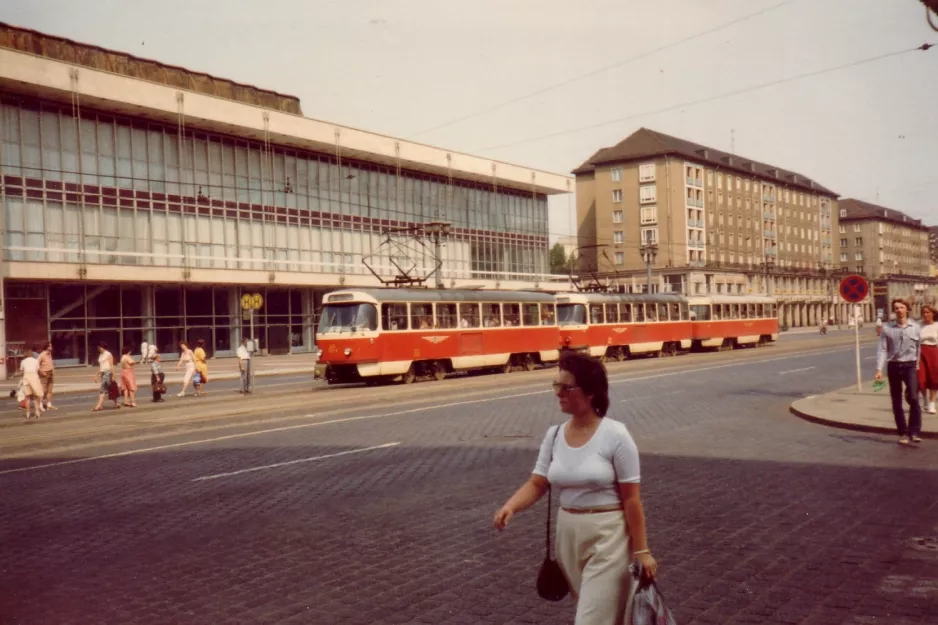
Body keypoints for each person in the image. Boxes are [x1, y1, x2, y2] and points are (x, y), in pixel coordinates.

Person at [493, 352, 657, 624]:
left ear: (590, 393)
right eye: (556, 385)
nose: (558, 393)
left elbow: (631, 500)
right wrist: (511, 506)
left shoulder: (616, 435)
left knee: (590, 619)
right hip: (567, 537)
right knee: (599, 614)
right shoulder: (554, 435)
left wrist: (642, 550)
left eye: (566, 387)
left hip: (608, 538)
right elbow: (538, 482)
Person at [875, 298, 922, 445]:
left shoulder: (915, 327)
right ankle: (903, 433)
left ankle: (914, 431)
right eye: (896, 308)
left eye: (902, 307)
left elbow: (919, 347)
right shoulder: (888, 329)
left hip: (910, 366)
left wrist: (918, 364)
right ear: (894, 311)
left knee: (913, 397)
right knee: (896, 400)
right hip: (894, 366)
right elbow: (882, 349)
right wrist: (879, 369)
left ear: (907, 309)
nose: (899, 310)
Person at [918, 305, 938, 415]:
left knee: (934, 378)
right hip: (920, 352)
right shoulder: (918, 326)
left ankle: (932, 404)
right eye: (923, 312)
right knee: (921, 378)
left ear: (933, 314)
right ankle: (924, 400)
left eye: (927, 312)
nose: (925, 314)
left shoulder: (937, 326)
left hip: (934, 352)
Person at [20, 344, 44, 420]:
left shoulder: (23, 361)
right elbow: (37, 370)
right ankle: (37, 412)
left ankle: (28, 413)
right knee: (36, 397)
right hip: (34, 378)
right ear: (32, 354)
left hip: (26, 378)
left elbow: (22, 371)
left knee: (27, 397)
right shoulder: (35, 361)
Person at [92, 342, 119, 411]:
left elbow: (111, 365)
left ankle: (99, 406)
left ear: (103, 347)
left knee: (103, 389)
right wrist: (96, 375)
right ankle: (116, 403)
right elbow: (100, 366)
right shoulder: (101, 355)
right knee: (111, 389)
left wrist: (113, 375)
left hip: (108, 373)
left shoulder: (108, 354)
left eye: (100, 347)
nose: (99, 349)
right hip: (103, 373)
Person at [37, 341, 56, 410]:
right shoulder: (42, 355)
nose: (51, 347)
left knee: (50, 390)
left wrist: (52, 369)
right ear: (46, 347)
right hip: (44, 373)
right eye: (50, 346)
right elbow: (37, 364)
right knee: (43, 390)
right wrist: (41, 372)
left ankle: (49, 404)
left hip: (50, 373)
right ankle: (40, 405)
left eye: (51, 346)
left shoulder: (49, 354)